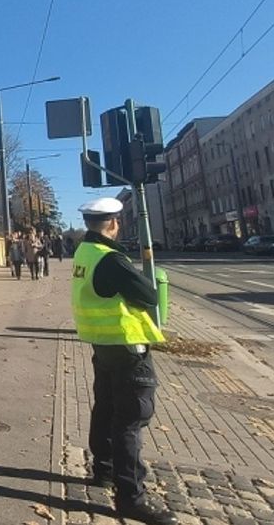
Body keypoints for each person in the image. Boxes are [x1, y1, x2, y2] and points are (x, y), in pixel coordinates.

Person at [71, 197, 177, 525]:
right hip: (128, 346)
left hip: (103, 345)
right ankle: (131, 496)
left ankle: (103, 471)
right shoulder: (111, 259)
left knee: (105, 409)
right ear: (114, 223)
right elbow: (148, 296)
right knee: (130, 419)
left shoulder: (83, 252)